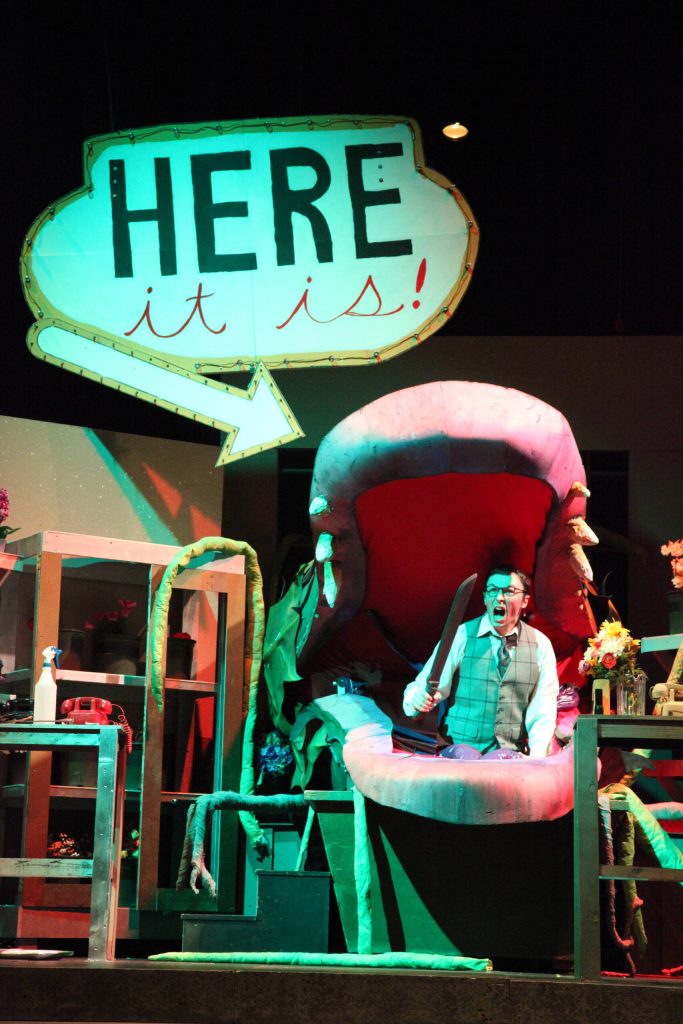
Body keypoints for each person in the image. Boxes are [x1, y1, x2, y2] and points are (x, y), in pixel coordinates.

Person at [402, 566, 559, 759]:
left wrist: (537, 760)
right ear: (485, 598)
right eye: (492, 590)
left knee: (502, 760)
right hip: (458, 751)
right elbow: (423, 687)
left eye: (509, 591)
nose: (499, 597)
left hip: (509, 756)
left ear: (525, 600)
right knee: (467, 756)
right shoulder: (461, 636)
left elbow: (543, 708)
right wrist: (416, 700)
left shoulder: (540, 645)